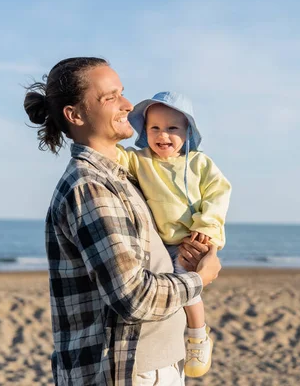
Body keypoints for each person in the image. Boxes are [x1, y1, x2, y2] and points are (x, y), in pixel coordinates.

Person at [23, 57, 221, 386]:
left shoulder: (122, 177)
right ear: (75, 115)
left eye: (122, 93)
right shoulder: (91, 187)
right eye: (110, 97)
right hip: (127, 371)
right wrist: (199, 279)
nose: (128, 105)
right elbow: (133, 297)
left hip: (153, 364)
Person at [116, 92, 231, 377]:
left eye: (172, 128)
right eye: (154, 127)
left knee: (186, 285)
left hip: (192, 239)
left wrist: (205, 227)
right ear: (144, 131)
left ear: (187, 131)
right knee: (161, 291)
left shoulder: (199, 164)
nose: (162, 135)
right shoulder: (140, 160)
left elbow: (218, 194)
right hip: (158, 242)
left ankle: (198, 335)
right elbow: (114, 155)